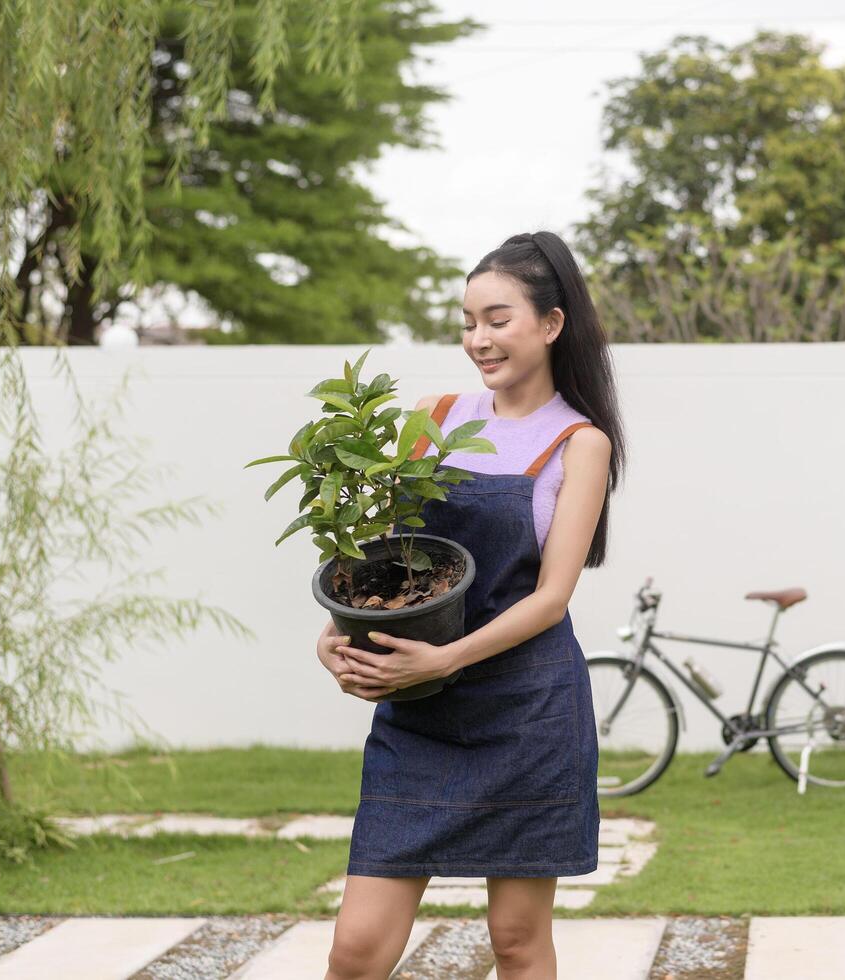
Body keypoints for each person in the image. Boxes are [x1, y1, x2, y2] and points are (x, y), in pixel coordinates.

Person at [313, 230, 626, 980]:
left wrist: (447, 654)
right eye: (467, 323)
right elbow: (386, 558)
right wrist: (338, 627)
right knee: (355, 949)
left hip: (527, 714)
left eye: (496, 319)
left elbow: (551, 598)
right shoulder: (435, 415)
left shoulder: (579, 443)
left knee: (517, 942)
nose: (478, 339)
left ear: (550, 324)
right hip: (420, 712)